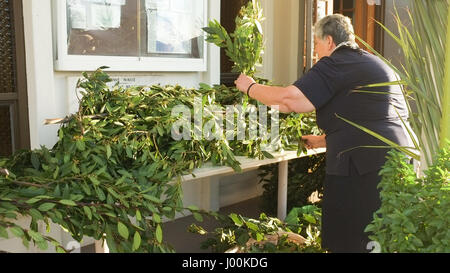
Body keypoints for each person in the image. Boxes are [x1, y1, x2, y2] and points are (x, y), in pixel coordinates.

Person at [235, 14, 414, 253]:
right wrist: (323, 140)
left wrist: (250, 87)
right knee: (384, 234)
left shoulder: (338, 61)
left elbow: (290, 101)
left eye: (316, 45)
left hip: (366, 167)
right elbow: (370, 115)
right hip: (397, 159)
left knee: (354, 238)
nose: (316, 52)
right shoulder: (371, 62)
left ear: (329, 41)